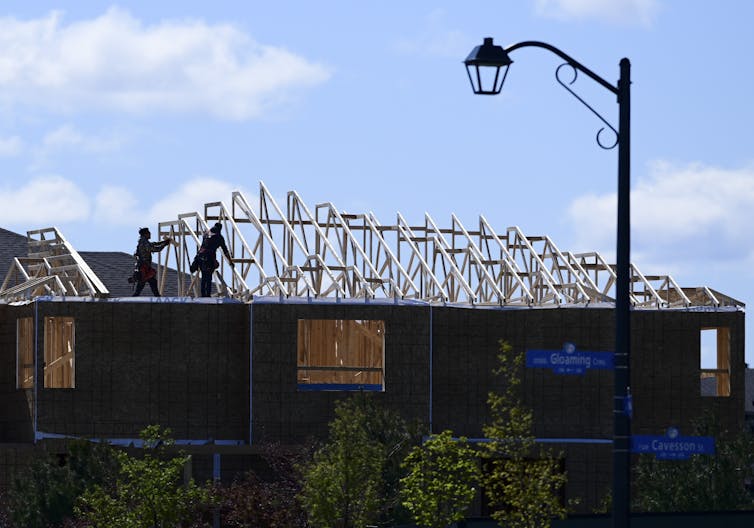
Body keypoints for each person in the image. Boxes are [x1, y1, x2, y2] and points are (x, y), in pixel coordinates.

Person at [194, 222, 234, 297]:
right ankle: (207, 296)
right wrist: (230, 261)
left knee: (204, 276)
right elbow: (225, 251)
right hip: (210, 258)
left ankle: (203, 296)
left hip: (200, 257)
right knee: (208, 277)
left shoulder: (207, 234)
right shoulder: (219, 237)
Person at [132, 227, 171, 296]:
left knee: (149, 283)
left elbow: (153, 244)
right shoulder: (144, 242)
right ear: (145, 234)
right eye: (149, 233)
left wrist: (163, 242)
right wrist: (164, 245)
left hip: (144, 267)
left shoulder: (142, 241)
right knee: (146, 283)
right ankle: (157, 297)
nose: (150, 234)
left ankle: (157, 296)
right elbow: (155, 249)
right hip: (144, 267)